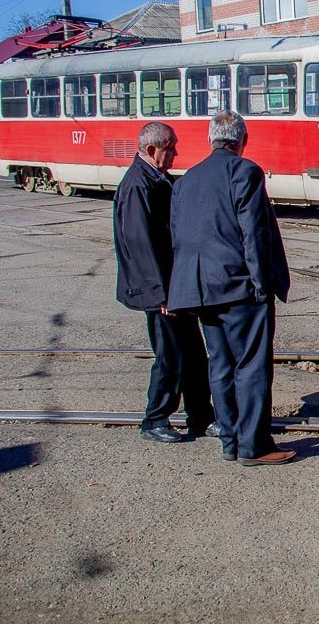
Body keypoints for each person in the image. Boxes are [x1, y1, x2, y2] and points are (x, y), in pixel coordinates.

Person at [168, 112, 294, 467]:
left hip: (199, 289)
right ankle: (253, 445)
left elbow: (178, 235)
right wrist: (259, 284)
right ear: (242, 140)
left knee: (220, 365)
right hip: (239, 286)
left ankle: (229, 439)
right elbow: (253, 233)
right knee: (252, 366)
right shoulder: (245, 171)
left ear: (211, 140)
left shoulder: (186, 180)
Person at [113, 122, 215, 444]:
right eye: (171, 148)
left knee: (194, 355)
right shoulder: (138, 185)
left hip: (174, 288)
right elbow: (141, 244)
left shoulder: (156, 179)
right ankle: (155, 418)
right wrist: (161, 294)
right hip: (161, 293)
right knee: (170, 356)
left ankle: (201, 416)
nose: (175, 154)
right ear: (152, 150)